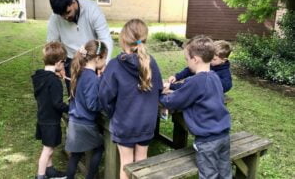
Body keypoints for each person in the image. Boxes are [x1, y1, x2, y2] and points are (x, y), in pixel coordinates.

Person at [98, 19, 163, 179]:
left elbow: (104, 97)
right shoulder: (151, 62)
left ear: (122, 38)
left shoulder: (114, 65)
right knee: (142, 163)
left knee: (126, 165)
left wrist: (113, 113)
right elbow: (159, 89)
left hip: (124, 123)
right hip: (146, 123)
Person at [160, 35, 232, 179]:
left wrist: (159, 94)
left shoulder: (196, 81)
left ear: (195, 59)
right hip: (223, 135)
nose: (187, 62)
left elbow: (172, 101)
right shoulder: (214, 77)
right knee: (225, 173)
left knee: (208, 175)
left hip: (208, 141)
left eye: (187, 59)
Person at [47, 0, 113, 94]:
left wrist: (104, 63)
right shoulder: (55, 18)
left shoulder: (92, 9)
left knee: (95, 94)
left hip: (93, 59)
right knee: (74, 95)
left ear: (73, 2)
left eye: (68, 12)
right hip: (71, 61)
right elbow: (53, 44)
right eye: (61, 15)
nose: (65, 17)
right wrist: (56, 66)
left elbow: (105, 38)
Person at [65, 40, 107, 179]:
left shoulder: (80, 72)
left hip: (74, 121)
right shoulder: (92, 78)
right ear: (98, 57)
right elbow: (92, 105)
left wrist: (99, 80)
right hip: (85, 124)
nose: (105, 62)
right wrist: (104, 103)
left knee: (75, 154)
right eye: (105, 58)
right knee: (99, 147)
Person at [31, 42, 69, 179]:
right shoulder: (54, 81)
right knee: (48, 149)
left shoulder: (39, 77)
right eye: (64, 62)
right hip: (51, 121)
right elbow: (58, 104)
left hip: (42, 118)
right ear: (59, 62)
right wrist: (71, 108)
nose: (64, 65)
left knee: (49, 146)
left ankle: (50, 170)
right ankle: (40, 176)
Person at [168, 40, 232, 92]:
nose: (210, 60)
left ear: (223, 60)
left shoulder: (225, 74)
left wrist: (213, 83)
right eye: (210, 57)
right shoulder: (207, 63)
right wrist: (176, 77)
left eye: (214, 59)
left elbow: (227, 86)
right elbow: (190, 70)